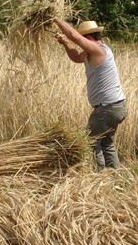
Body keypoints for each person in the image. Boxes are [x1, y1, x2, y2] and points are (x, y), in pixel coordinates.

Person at [53, 17, 126, 169]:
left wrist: (55, 19)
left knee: (91, 142)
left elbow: (74, 36)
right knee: (106, 143)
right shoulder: (90, 53)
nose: (81, 44)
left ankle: (98, 179)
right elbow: (76, 57)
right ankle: (116, 177)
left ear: (90, 38)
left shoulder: (98, 50)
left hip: (107, 108)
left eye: (83, 40)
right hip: (116, 107)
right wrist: (66, 44)